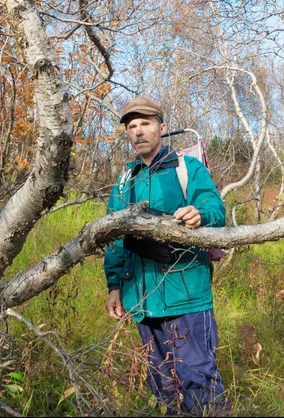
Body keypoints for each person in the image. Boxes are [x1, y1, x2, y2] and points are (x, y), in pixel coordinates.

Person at [103, 96, 228, 416]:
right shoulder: (124, 182)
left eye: (145, 123)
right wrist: (114, 286)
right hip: (141, 300)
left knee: (198, 379)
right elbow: (114, 240)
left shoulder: (188, 169)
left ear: (162, 127)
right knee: (163, 386)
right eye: (132, 126)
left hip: (186, 295)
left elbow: (216, 209)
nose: (138, 131)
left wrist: (199, 214)